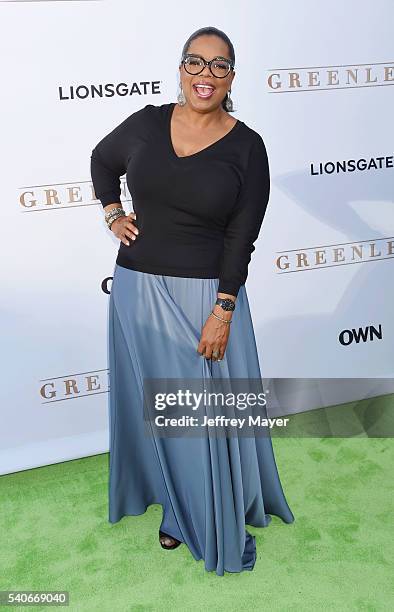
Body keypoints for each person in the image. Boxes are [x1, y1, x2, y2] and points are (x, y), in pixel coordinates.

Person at [90, 26, 294, 576]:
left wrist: (223, 308)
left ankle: (193, 514)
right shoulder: (146, 124)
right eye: (195, 63)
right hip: (135, 287)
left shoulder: (248, 147)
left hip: (205, 295)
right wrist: (113, 213)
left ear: (232, 76)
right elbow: (101, 161)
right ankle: (167, 500)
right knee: (151, 409)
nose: (206, 76)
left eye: (219, 66)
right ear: (180, 68)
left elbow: (241, 237)